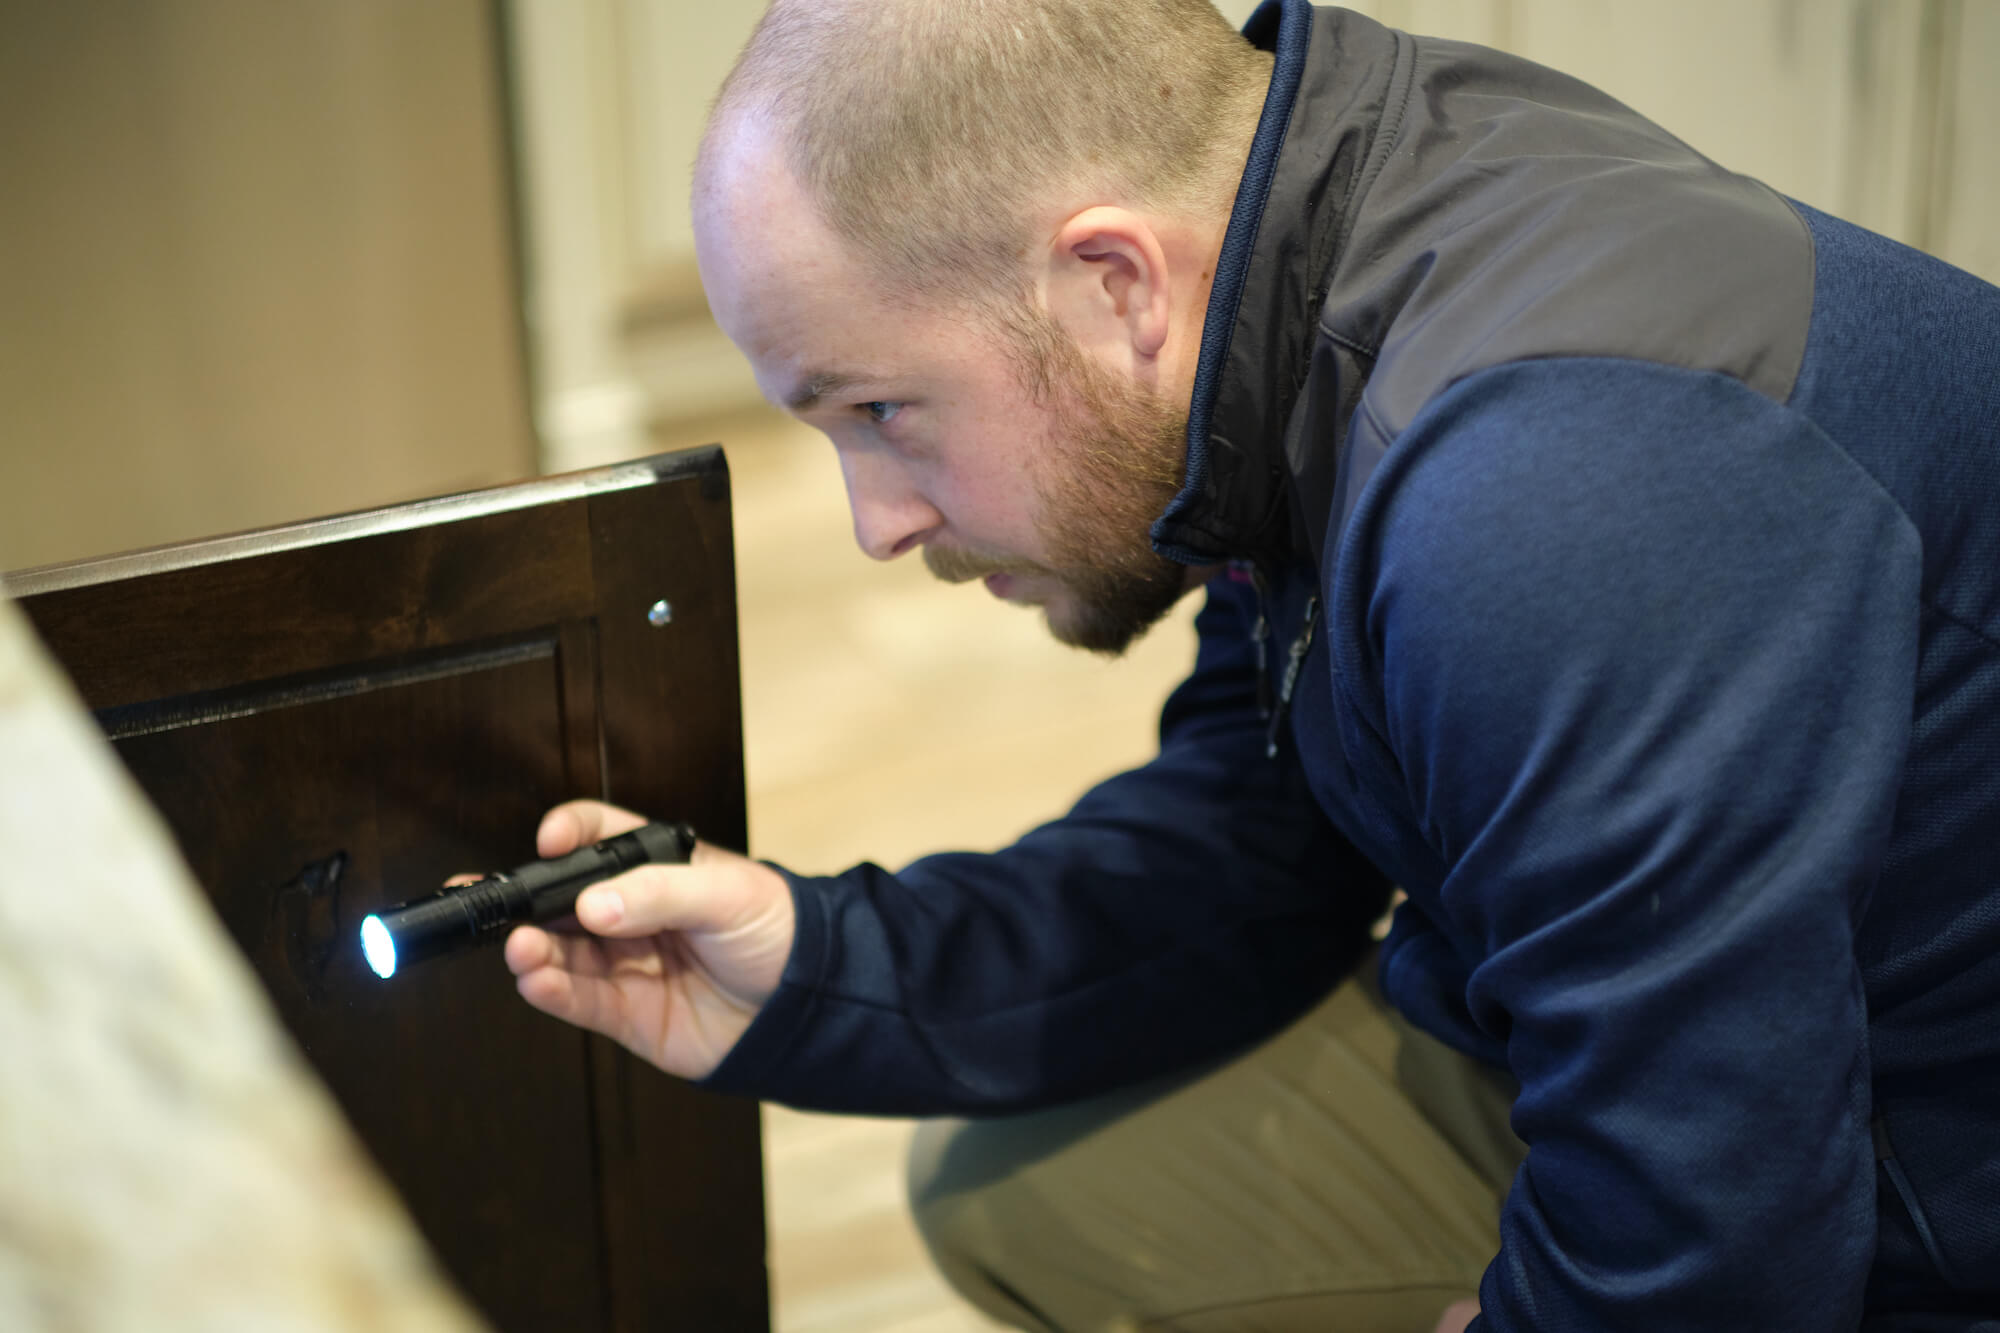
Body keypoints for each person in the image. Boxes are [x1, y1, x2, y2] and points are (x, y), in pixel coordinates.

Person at [498, 1, 2000, 1329]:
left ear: (1114, 283)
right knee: (1023, 1189)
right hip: (1740, 1068)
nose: (876, 523)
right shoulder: (1298, 249)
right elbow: (1257, 843)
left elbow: (1719, 1216)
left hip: (1919, 1184)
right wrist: (816, 962)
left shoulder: (1541, 493)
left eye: (882, 409)